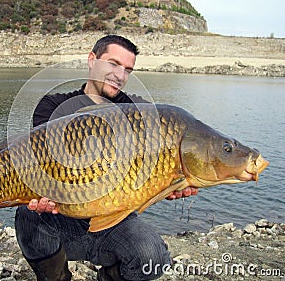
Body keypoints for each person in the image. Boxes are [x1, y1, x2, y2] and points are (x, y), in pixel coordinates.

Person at [14, 35, 198, 281]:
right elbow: (43, 167)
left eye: (127, 70)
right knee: (28, 215)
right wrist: (42, 193)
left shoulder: (139, 110)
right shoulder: (52, 107)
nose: (120, 75)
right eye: (113, 64)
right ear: (92, 60)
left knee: (152, 258)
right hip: (64, 219)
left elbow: (155, 165)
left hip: (115, 221)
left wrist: (168, 183)